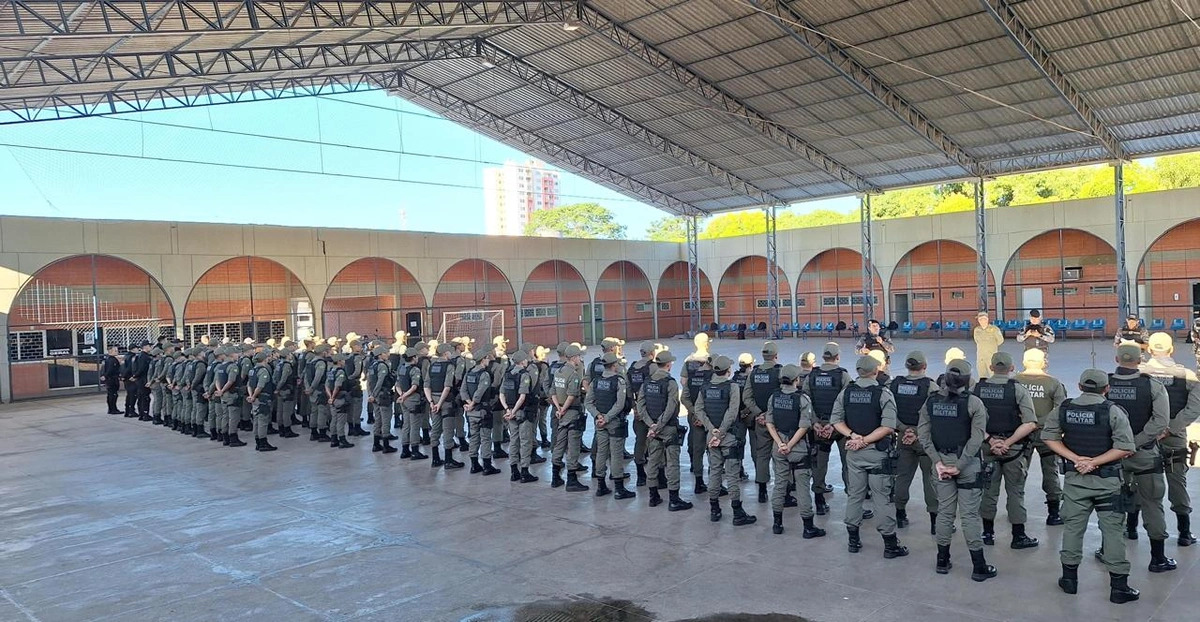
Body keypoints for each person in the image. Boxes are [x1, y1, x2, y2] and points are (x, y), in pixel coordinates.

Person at [1043, 369, 1140, 604]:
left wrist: (1076, 459)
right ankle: (1119, 587)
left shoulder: (1064, 409)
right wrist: (1094, 462)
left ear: (1079, 386)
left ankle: (1069, 580)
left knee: (1073, 530)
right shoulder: (1113, 411)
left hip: (1076, 481)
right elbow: (1125, 447)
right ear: (1107, 388)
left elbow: (1048, 437)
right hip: (1107, 482)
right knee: (1113, 533)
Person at [917, 359, 996, 581]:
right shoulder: (974, 403)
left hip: (941, 463)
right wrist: (959, 466)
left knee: (944, 513)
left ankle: (942, 561)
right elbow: (977, 439)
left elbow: (923, 434)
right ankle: (978, 566)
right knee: (969, 515)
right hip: (967, 464)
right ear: (968, 379)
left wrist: (937, 462)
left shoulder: (931, 401)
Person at [1106, 343, 1175, 572]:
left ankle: (1109, 551)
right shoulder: (1152, 385)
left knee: (1112, 503)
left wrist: (1121, 445)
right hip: (1144, 454)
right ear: (1139, 361)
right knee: (1152, 503)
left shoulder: (1105, 383)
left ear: (1117, 359)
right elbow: (1161, 421)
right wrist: (1135, 443)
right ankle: (1158, 558)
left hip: (1111, 455)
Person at [831, 355, 906, 558]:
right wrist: (864, 440)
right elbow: (888, 426)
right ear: (876, 371)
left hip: (854, 452)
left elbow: (836, 420)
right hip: (877, 453)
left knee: (855, 495)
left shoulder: (846, 393)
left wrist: (853, 436)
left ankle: (853, 540)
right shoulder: (883, 394)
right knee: (881, 498)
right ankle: (890, 545)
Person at [1140, 332, 1200, 546]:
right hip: (1174, 438)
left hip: (1144, 438)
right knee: (1177, 482)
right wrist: (1170, 428)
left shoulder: (1139, 373)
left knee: (1141, 481)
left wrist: (1151, 431)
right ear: (1171, 349)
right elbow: (1194, 408)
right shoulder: (1186, 375)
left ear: (1149, 349)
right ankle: (1184, 533)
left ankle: (1131, 528)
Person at [765, 364, 823, 538]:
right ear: (796, 379)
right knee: (803, 487)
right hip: (798, 448)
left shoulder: (774, 397)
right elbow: (804, 426)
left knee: (780, 484)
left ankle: (777, 524)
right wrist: (790, 445)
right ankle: (808, 527)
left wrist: (781, 443)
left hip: (778, 446)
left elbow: (769, 423)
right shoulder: (802, 399)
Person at [695, 355, 752, 525]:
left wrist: (711, 429)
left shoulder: (705, 387)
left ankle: (714, 509)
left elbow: (699, 409)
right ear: (728, 370)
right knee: (732, 475)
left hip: (711, 437)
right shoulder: (732, 387)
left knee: (714, 472)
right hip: (728, 437)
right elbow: (732, 413)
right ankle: (737, 513)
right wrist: (720, 433)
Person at [1015, 348, 1067, 526]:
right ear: (1043, 362)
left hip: (1021, 433)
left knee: (1018, 472)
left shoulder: (1015, 381)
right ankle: (1054, 514)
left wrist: (1027, 422)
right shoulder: (1053, 383)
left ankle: (1016, 510)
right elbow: (1060, 409)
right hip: (1046, 434)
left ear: (1024, 362)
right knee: (1050, 471)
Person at [891, 351, 938, 534]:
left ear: (906, 366)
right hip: (925, 439)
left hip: (903, 438)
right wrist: (917, 432)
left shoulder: (894, 385)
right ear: (924, 366)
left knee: (902, 476)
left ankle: (900, 515)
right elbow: (935, 414)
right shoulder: (930, 386)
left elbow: (889, 413)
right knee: (930, 478)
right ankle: (935, 522)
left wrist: (905, 430)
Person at [639, 349, 692, 511]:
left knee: (653, 461)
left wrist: (651, 425)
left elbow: (641, 406)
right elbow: (671, 408)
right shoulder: (670, 383)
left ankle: (653, 496)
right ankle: (674, 499)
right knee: (672, 463)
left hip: (653, 430)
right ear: (668, 365)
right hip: (668, 428)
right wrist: (659, 425)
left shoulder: (647, 382)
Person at [806, 342, 852, 516]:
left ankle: (819, 502)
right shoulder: (843, 375)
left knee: (818, 464)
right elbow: (847, 402)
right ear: (837, 357)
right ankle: (853, 503)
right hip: (839, 427)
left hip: (819, 427)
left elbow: (806, 401)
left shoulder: (812, 375)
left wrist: (815, 423)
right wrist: (834, 424)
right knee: (848, 464)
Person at [585, 352, 631, 498]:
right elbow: (620, 404)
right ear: (614, 365)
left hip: (599, 422)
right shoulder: (619, 381)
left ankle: (601, 486)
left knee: (601, 452)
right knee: (616, 454)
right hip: (614, 422)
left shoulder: (596, 381)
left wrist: (598, 416)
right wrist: (607, 418)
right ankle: (619, 488)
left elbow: (588, 402)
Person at [744, 342, 783, 504]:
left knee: (762, 454)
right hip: (778, 421)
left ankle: (762, 491)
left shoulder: (753, 373)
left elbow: (747, 397)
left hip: (760, 421)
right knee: (781, 453)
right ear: (776, 356)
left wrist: (759, 413)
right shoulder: (780, 372)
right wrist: (769, 414)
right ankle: (784, 489)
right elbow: (784, 394)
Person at [552, 344, 588, 492]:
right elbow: (572, 395)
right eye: (579, 356)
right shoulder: (573, 374)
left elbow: (553, 392)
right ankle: (572, 479)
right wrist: (565, 409)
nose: (580, 358)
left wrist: (559, 409)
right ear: (573, 358)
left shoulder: (558, 371)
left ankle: (555, 476)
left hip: (560, 412)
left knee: (559, 444)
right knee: (573, 445)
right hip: (571, 412)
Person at [501, 350, 539, 483]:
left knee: (513, 441)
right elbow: (522, 397)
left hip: (510, 412)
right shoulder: (524, 375)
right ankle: (524, 471)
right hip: (522, 412)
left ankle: (513, 471)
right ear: (522, 361)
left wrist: (508, 409)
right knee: (525, 442)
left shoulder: (507, 374)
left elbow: (501, 394)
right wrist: (514, 411)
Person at [681, 340, 713, 495]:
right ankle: (715, 480)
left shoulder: (690, 367)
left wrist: (695, 413)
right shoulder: (713, 374)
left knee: (697, 447)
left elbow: (684, 396)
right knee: (714, 448)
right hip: (711, 418)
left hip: (694, 416)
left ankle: (698, 480)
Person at [425, 343, 460, 468]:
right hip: (445, 400)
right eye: (449, 352)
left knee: (435, 428)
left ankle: (435, 459)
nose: (451, 353)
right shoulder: (449, 366)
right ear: (445, 353)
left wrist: (431, 402)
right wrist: (439, 403)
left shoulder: (432, 365)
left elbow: (426, 385)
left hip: (433, 399)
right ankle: (449, 460)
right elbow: (447, 386)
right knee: (448, 429)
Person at [462, 349, 497, 474]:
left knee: (474, 437)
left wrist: (468, 404)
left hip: (471, 412)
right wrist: (472, 403)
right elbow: (480, 392)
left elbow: (463, 391)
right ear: (483, 360)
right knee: (486, 438)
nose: (488, 361)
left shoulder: (469, 373)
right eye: (487, 358)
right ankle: (487, 465)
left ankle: (474, 464)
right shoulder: (484, 374)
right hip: (482, 410)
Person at [628, 342, 658, 487]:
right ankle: (658, 473)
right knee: (656, 440)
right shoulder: (653, 367)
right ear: (652, 352)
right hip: (652, 410)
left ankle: (640, 474)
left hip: (638, 411)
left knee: (640, 441)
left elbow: (628, 390)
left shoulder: (632, 367)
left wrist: (635, 408)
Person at [396, 345, 428, 460]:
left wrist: (402, 395)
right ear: (413, 357)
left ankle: (405, 450)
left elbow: (397, 385)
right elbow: (414, 386)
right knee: (415, 426)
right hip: (413, 398)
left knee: (406, 425)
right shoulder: (415, 369)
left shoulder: (402, 368)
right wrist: (405, 395)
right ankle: (415, 450)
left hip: (403, 399)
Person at [247, 350, 278, 452]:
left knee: (256, 421)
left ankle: (258, 442)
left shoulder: (252, 370)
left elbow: (249, 385)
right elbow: (260, 386)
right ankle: (263, 442)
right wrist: (254, 396)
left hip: (255, 399)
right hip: (262, 399)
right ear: (265, 359)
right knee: (262, 422)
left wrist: (251, 396)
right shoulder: (263, 371)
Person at [368, 344, 398, 454]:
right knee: (386, 419)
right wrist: (374, 394)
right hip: (383, 395)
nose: (387, 355)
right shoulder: (382, 366)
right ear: (380, 355)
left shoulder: (372, 366)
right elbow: (380, 381)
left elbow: (369, 382)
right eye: (385, 353)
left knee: (378, 419)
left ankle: (376, 443)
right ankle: (386, 445)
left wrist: (371, 394)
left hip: (375, 396)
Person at [326, 353, 355, 449]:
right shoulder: (340, 372)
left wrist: (330, 397)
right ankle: (342, 439)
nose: (344, 362)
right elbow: (337, 386)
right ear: (339, 361)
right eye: (343, 360)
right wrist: (333, 396)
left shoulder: (331, 371)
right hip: (340, 398)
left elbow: (327, 385)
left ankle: (333, 439)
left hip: (332, 399)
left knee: (334, 419)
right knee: (341, 420)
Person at [273, 346, 300, 439]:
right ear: (287, 355)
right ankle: (287, 429)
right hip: (286, 389)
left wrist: (276, 387)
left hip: (280, 390)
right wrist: (278, 387)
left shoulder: (278, 364)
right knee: (286, 411)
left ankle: (280, 428)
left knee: (279, 410)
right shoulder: (287, 365)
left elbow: (274, 377)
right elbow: (284, 378)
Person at [973, 312, 1004, 379]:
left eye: (983, 319)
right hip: (980, 357)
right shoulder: (977, 330)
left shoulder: (994, 329)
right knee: (981, 377)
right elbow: (976, 341)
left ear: (987, 319)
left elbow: (1000, 340)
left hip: (991, 356)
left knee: (993, 375)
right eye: (979, 319)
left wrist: (991, 346)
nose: (981, 321)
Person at [101, 346, 122, 414]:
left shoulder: (107, 359)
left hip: (110, 379)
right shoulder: (112, 360)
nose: (117, 352)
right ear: (110, 351)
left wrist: (104, 375)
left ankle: (112, 409)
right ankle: (113, 409)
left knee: (111, 394)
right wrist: (105, 376)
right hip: (112, 379)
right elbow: (110, 370)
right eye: (115, 350)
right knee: (113, 394)